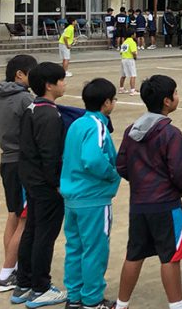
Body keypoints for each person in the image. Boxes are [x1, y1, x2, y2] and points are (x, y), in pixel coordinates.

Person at [114, 74, 182, 309]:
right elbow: (179, 172)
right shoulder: (171, 134)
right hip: (166, 204)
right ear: (167, 101)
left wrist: (139, 182)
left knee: (134, 254)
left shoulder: (132, 130)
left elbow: (122, 165)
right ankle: (177, 306)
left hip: (139, 204)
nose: (178, 96)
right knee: (169, 257)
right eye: (176, 93)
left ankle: (121, 304)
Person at [61, 78, 120, 309]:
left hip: (72, 197)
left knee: (75, 248)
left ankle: (74, 297)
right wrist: (112, 175)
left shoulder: (76, 124)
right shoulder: (97, 125)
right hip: (93, 198)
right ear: (106, 103)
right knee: (95, 250)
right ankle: (93, 299)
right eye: (113, 99)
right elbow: (92, 158)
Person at [13, 62, 68, 307]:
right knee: (44, 235)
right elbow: (50, 154)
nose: (64, 84)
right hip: (45, 185)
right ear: (49, 85)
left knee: (32, 231)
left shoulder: (33, 108)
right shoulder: (48, 114)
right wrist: (56, 183)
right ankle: (40, 287)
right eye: (61, 80)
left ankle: (23, 283)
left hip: (32, 181)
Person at [0, 55, 38, 293]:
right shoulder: (24, 99)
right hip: (22, 163)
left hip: (7, 161)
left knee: (14, 214)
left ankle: (11, 266)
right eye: (33, 72)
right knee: (25, 219)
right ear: (19, 74)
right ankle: (6, 274)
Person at [117, 30, 140, 96]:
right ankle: (132, 90)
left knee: (123, 75)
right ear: (132, 35)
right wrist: (135, 57)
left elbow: (121, 52)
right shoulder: (132, 42)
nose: (135, 35)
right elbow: (133, 52)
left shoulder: (125, 42)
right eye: (134, 34)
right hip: (130, 59)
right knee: (133, 75)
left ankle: (121, 88)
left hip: (123, 59)